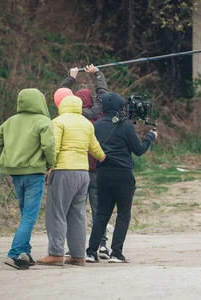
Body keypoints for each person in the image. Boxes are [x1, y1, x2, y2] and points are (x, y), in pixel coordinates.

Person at [85, 92, 157, 263]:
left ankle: (91, 251)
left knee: (102, 214)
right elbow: (138, 150)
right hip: (122, 174)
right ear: (120, 107)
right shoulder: (125, 126)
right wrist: (150, 137)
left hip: (102, 173)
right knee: (123, 213)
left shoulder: (96, 126)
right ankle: (116, 253)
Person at [36, 95, 106, 266]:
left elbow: (54, 147)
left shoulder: (58, 122)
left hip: (63, 170)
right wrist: (104, 158)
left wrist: (48, 167)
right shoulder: (87, 124)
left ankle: (56, 253)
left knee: (57, 213)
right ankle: (78, 255)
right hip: (83, 174)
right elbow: (96, 150)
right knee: (78, 215)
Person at [0, 88, 56, 270]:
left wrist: (6, 158)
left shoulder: (9, 122)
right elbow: (49, 144)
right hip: (34, 174)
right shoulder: (43, 121)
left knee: (24, 215)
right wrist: (51, 164)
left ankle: (25, 253)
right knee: (29, 216)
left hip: (15, 174)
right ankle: (14, 254)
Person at [64, 64, 112, 259]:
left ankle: (76, 247)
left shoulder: (68, 117)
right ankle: (101, 246)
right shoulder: (98, 115)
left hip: (77, 170)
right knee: (99, 210)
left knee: (76, 211)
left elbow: (61, 95)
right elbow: (103, 96)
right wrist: (97, 74)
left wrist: (71, 78)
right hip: (97, 172)